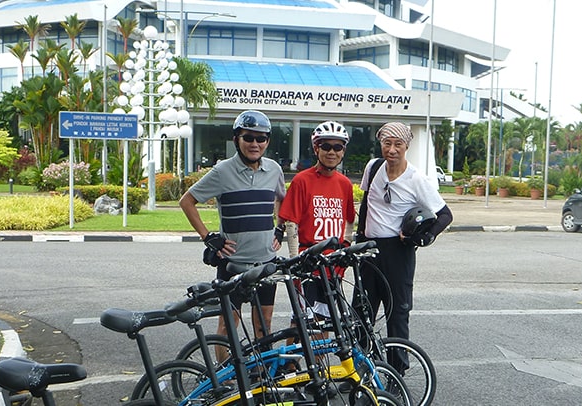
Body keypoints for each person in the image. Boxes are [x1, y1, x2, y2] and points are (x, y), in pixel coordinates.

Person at [179, 110, 286, 354]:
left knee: (264, 325)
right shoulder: (222, 171)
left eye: (261, 139)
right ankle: (225, 379)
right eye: (249, 138)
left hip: (265, 263)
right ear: (237, 139)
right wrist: (208, 237)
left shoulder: (274, 170)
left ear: (268, 141)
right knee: (228, 326)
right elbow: (187, 201)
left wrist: (278, 228)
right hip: (233, 265)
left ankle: (262, 374)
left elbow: (282, 198)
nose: (255, 144)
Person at [355, 121, 453, 373]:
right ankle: (360, 370)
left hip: (397, 253)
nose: (392, 149)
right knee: (361, 311)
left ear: (407, 146)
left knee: (396, 313)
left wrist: (421, 239)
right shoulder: (373, 167)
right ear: (381, 144)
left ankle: (396, 372)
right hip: (368, 250)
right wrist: (358, 239)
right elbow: (366, 203)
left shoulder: (416, 179)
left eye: (398, 144)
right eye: (387, 143)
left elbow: (445, 215)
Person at [278, 121, 356, 324]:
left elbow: (349, 220)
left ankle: (319, 358)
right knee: (304, 323)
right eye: (326, 146)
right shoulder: (302, 181)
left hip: (333, 266)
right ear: (316, 148)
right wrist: (295, 260)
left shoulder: (345, 184)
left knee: (329, 323)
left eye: (337, 147)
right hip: (307, 263)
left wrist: (345, 248)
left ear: (343, 151)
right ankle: (294, 358)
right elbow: (291, 223)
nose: (332, 152)